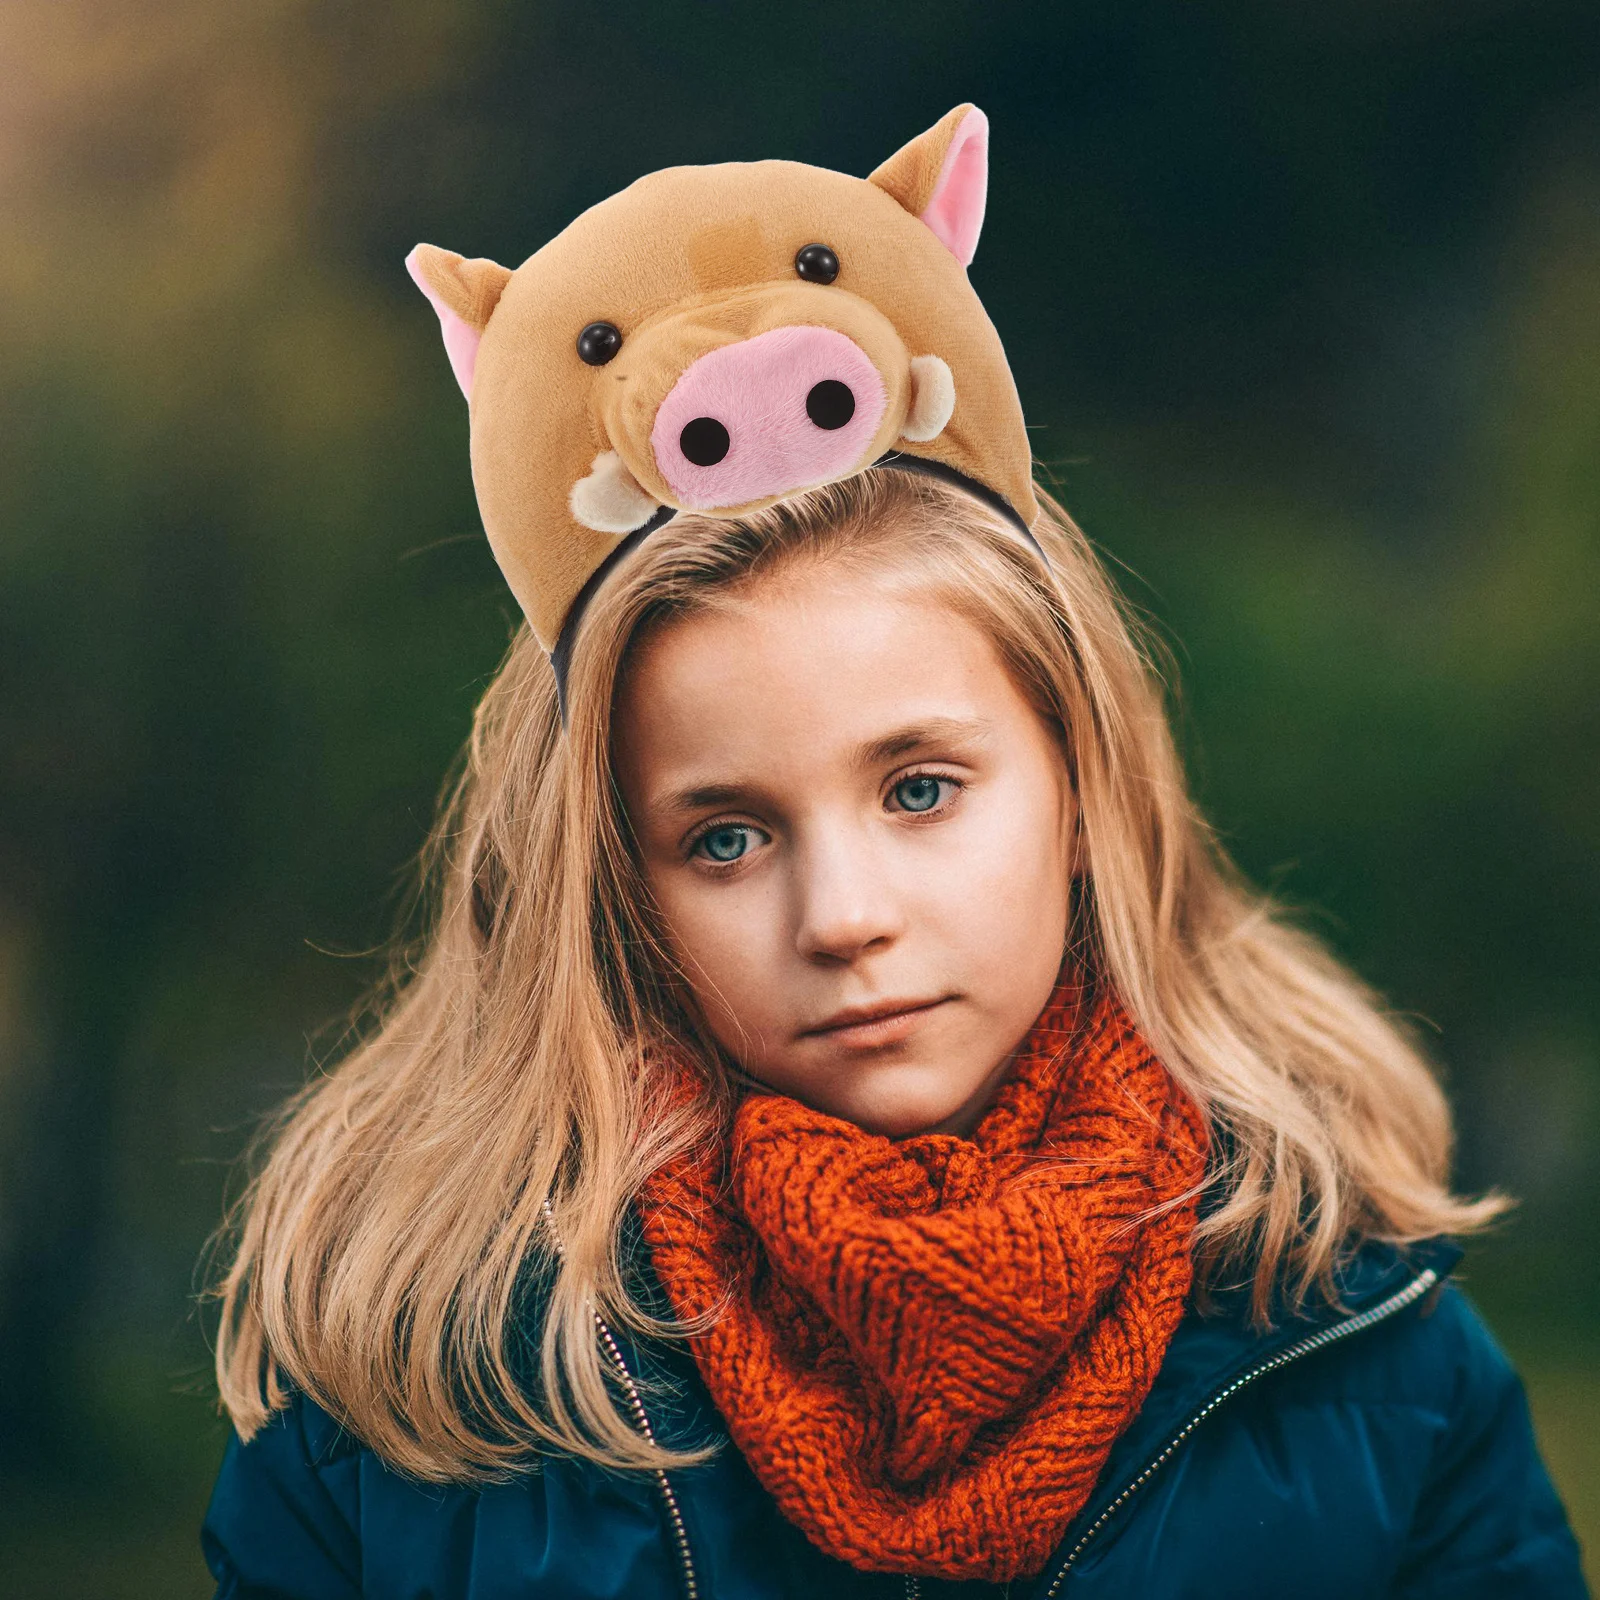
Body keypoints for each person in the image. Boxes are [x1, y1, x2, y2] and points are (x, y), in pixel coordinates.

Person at [200, 107, 1588, 1598]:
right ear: (609, 891)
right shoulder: (419, 1399)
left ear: (1081, 792)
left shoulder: (1364, 1344)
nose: (843, 917)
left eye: (920, 790)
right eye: (724, 838)